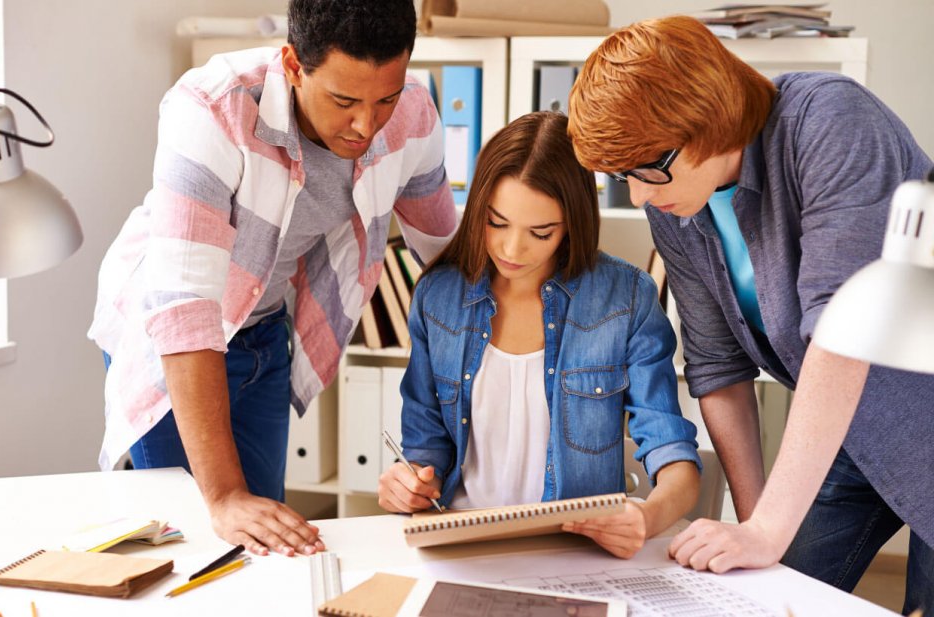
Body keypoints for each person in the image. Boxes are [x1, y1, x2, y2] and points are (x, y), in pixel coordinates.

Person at [568, 15, 933, 613]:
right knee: (759, 596)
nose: (637, 195)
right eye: (620, 177)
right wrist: (753, 524)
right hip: (851, 433)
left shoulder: (830, 122)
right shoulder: (675, 203)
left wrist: (767, 531)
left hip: (923, 411)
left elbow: (840, 337)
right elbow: (717, 368)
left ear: (706, 121)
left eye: (646, 168)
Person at [88, 0, 457, 557]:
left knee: (263, 541)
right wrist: (225, 495)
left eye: (385, 97)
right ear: (292, 64)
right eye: (343, 100)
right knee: (184, 541)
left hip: (262, 329)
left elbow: (446, 255)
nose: (366, 125)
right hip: (166, 335)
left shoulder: (412, 114)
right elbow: (185, 310)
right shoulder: (213, 109)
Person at [377, 111, 702, 559]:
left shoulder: (625, 298)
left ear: (572, 225)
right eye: (496, 222)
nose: (512, 250)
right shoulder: (438, 297)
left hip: (575, 552)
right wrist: (407, 482)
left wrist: (646, 517)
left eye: (540, 232)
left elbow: (674, 455)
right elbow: (425, 451)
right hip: (464, 549)